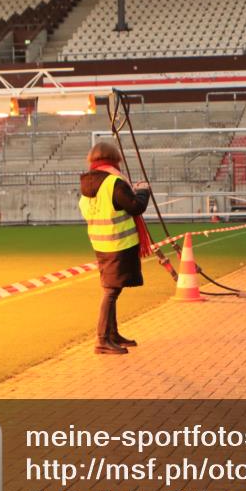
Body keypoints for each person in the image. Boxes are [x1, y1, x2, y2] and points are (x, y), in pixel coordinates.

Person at [79, 142, 151, 354]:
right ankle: (102, 339)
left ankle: (112, 334)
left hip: (101, 243)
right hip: (119, 244)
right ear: (115, 159)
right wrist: (143, 191)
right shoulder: (114, 182)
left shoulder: (88, 184)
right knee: (111, 291)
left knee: (112, 289)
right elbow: (136, 207)